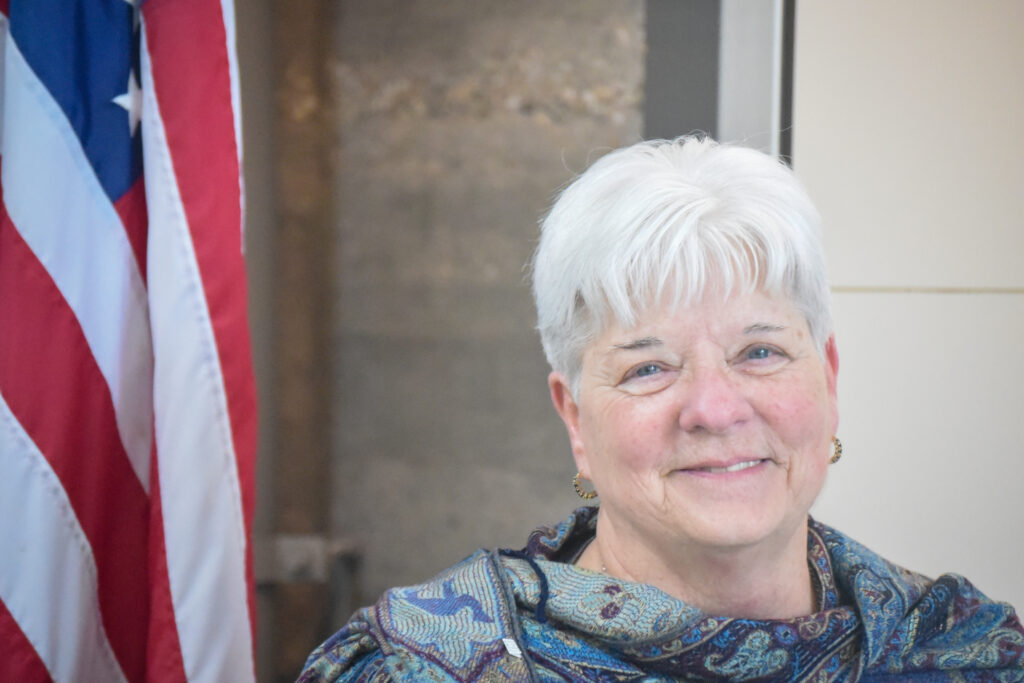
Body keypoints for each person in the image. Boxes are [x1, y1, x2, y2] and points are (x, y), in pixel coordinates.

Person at [298, 137, 1024, 681]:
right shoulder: (414, 666)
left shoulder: (961, 649)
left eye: (760, 351)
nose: (713, 407)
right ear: (575, 417)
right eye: (650, 366)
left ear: (827, 378)